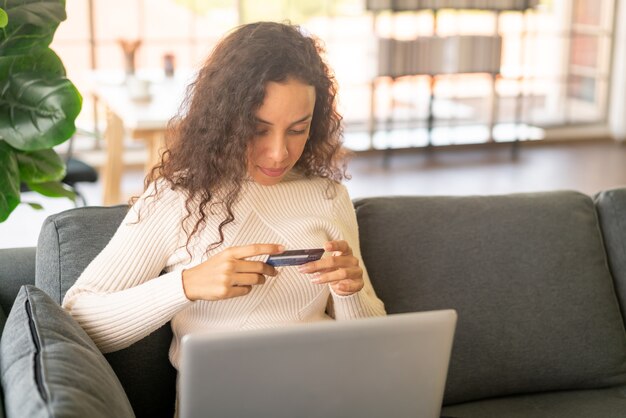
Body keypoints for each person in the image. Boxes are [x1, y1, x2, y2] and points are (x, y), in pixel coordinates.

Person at [62, 20, 385, 391]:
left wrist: (350, 292)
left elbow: (373, 344)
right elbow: (77, 319)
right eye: (259, 129)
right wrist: (185, 285)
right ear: (224, 119)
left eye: (297, 129)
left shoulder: (328, 196)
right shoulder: (177, 197)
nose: (279, 153)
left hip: (332, 393)